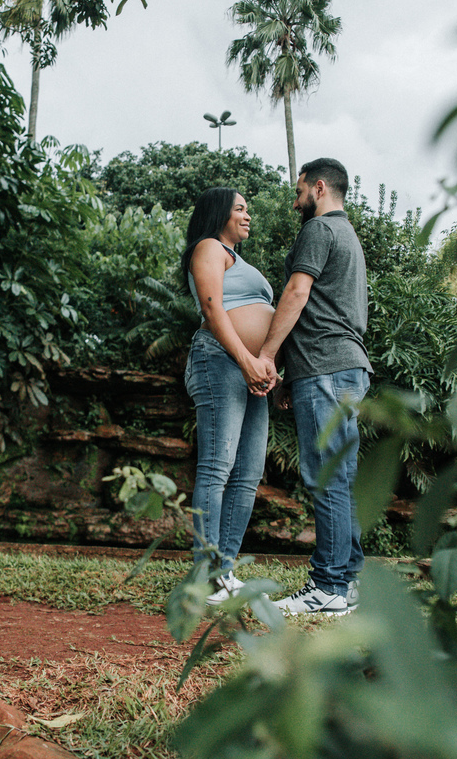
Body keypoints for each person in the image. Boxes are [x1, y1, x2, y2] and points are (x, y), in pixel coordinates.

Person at [258, 158, 373, 616]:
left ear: (319, 188)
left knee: (326, 476)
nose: (295, 200)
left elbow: (297, 295)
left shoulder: (319, 230)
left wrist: (266, 356)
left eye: (299, 189)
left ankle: (327, 586)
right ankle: (347, 581)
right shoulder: (349, 237)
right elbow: (322, 311)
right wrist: (292, 372)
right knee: (339, 477)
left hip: (326, 369)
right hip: (341, 369)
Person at [181, 187, 277, 605]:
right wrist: (245, 359)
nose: (247, 215)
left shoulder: (240, 259)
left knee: (249, 472)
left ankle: (226, 571)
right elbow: (213, 309)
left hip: (251, 371)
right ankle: (207, 573)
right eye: (240, 208)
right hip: (221, 360)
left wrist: (270, 369)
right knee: (218, 466)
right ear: (219, 213)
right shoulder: (208, 248)